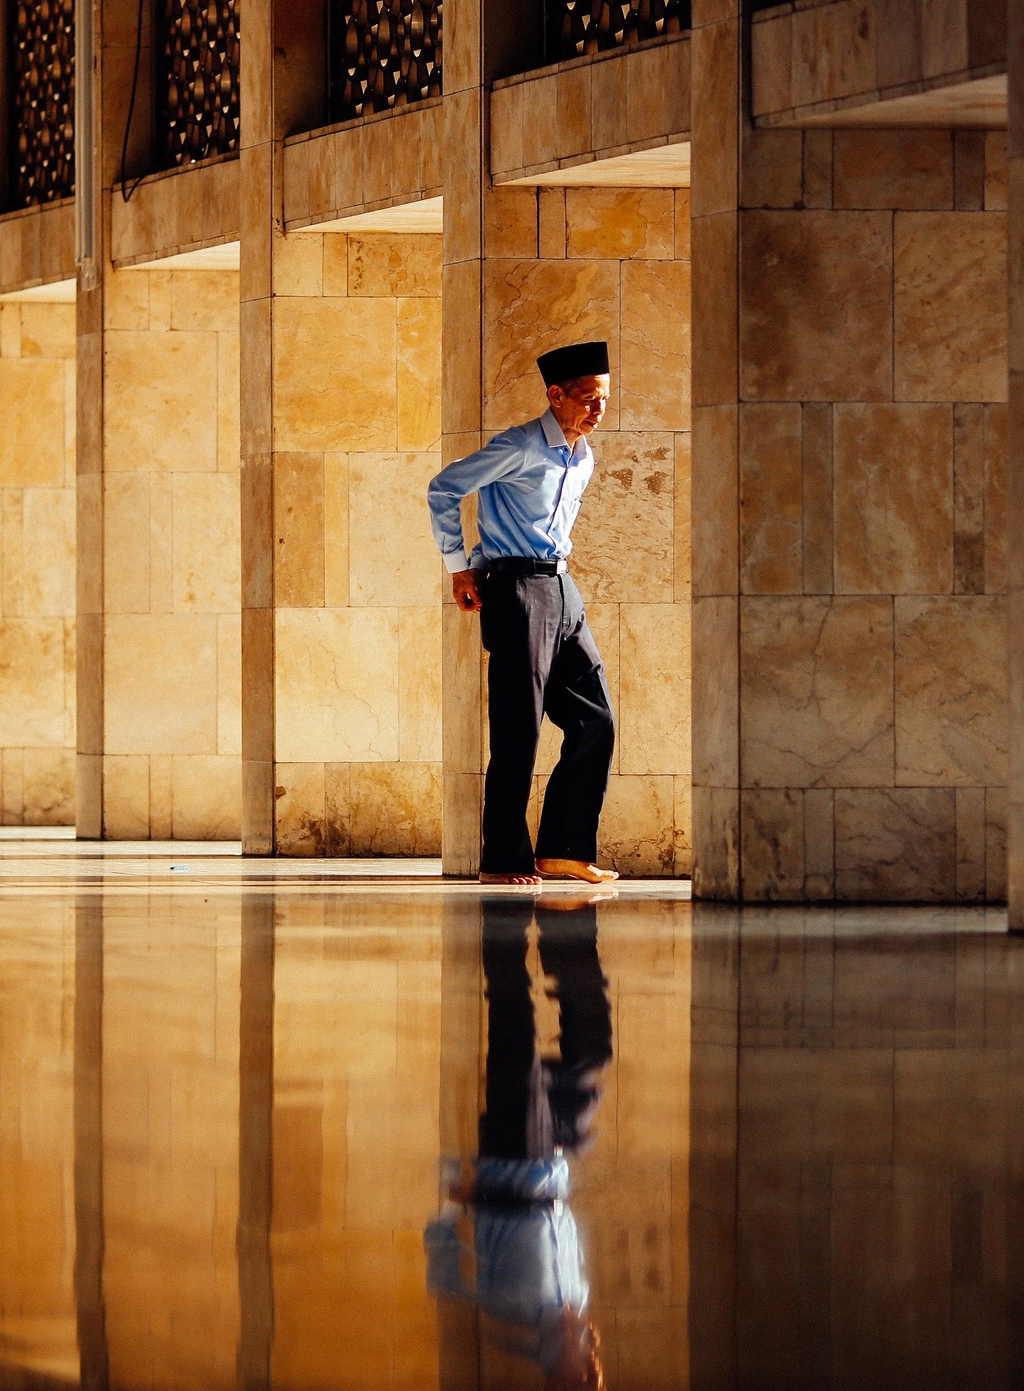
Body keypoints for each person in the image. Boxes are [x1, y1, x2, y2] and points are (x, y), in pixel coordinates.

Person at [426, 341, 621, 889]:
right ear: (555, 396)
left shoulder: (582, 456)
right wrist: (460, 568)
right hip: (515, 587)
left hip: (562, 588)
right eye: (587, 399)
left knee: (595, 719)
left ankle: (562, 849)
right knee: (520, 729)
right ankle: (503, 858)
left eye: (603, 399)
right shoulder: (518, 447)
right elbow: (444, 489)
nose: (598, 411)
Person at [427, 897, 612, 1390]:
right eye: (593, 1376)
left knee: (515, 1024)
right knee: (594, 1046)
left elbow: (444, 1274)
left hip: (512, 1154)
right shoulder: (578, 1299)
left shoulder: (508, 1310)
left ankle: (502, 927)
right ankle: (565, 937)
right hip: (554, 1158)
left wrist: (453, 1197)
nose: (591, 1368)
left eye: (582, 1379)